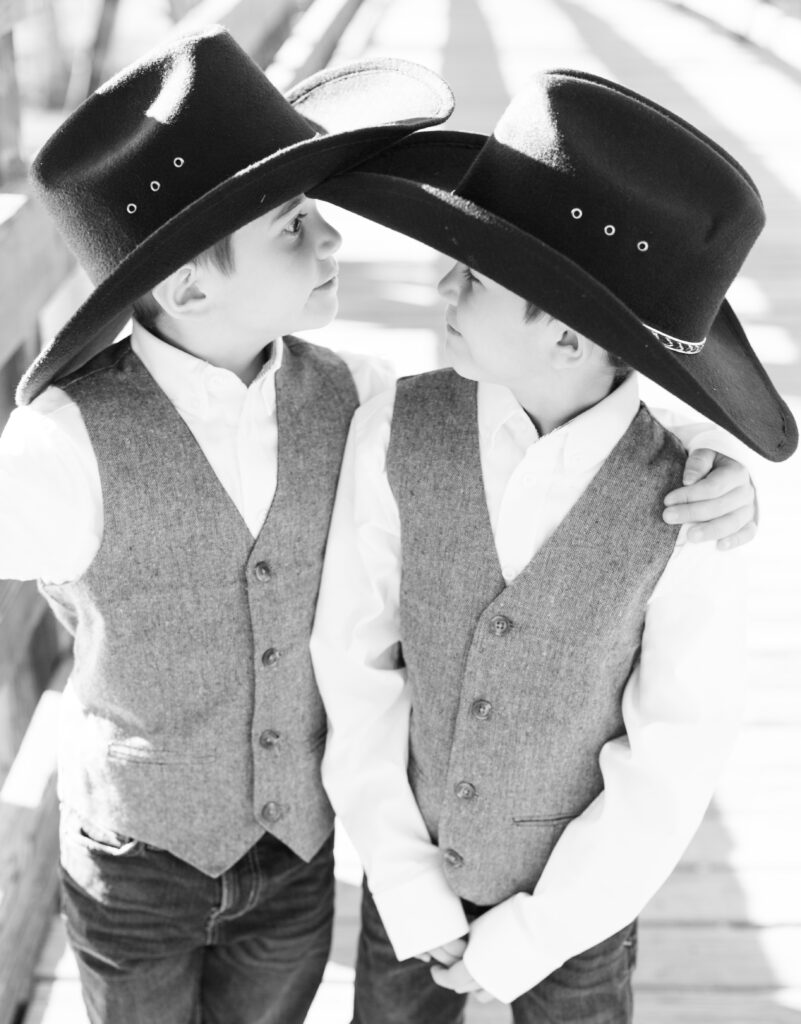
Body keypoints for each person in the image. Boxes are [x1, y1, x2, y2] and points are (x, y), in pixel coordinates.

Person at [309, 70, 797, 1023]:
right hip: (412, 885)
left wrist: (540, 930)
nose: (440, 281)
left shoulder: (686, 503)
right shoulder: (394, 431)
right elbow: (353, 662)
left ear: (570, 337)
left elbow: (675, 748)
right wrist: (406, 883)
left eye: (474, 274)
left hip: (578, 915)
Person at [0, 26, 456, 1024]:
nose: (333, 239)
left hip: (293, 860)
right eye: (294, 225)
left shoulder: (359, 397)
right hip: (134, 863)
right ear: (188, 284)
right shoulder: (63, 443)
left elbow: (507, 453)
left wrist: (700, 469)